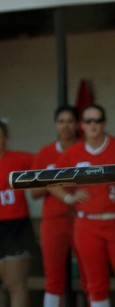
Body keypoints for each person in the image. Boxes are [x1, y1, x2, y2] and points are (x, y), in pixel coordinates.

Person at [49, 104, 115, 307]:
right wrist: (70, 198)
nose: (93, 125)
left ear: (104, 123)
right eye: (88, 121)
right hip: (86, 225)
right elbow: (51, 181)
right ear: (81, 125)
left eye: (97, 120)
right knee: (95, 284)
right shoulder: (73, 152)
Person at [31, 105, 88, 307]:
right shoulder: (45, 153)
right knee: (53, 278)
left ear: (77, 124)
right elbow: (34, 192)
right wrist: (54, 183)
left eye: (70, 121)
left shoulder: (84, 149)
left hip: (82, 219)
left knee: (89, 275)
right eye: (61, 121)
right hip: (53, 220)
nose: (66, 126)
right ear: (56, 125)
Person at [0, 120, 36, 307]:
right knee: (6, 282)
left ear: (5, 138)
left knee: (15, 284)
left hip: (16, 226)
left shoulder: (19, 159)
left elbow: (45, 166)